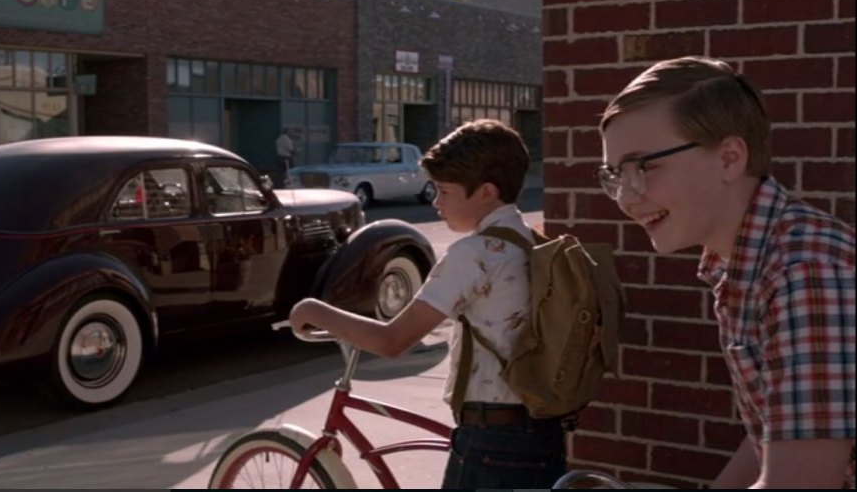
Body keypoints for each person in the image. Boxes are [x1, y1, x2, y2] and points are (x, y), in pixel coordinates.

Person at [597, 56, 855, 489]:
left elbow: (801, 482)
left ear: (730, 158)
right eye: (614, 174)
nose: (625, 197)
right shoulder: (742, 262)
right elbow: (773, 435)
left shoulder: (804, 273)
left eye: (643, 167)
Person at [289, 119, 567, 489]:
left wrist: (314, 309)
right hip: (540, 431)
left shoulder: (473, 254)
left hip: (492, 440)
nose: (436, 203)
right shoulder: (532, 240)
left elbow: (393, 341)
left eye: (445, 191)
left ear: (486, 192)